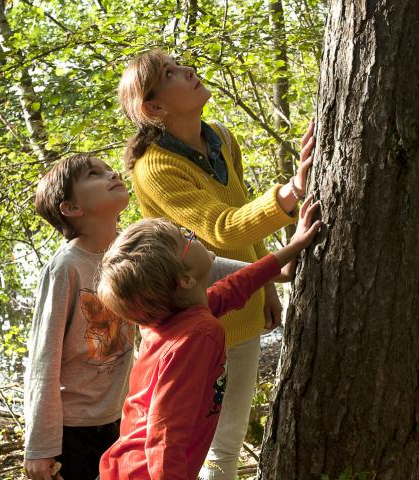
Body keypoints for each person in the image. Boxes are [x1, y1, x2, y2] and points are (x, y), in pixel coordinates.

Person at [118, 48, 316, 479]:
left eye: (180, 64)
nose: (188, 70)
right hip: (188, 326)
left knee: (225, 446)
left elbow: (241, 212)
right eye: (171, 73)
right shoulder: (155, 169)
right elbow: (220, 228)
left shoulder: (221, 138)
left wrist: (263, 282)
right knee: (184, 445)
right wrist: (292, 191)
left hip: (238, 312)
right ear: (154, 107)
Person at [97, 197, 321, 480]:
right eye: (185, 237)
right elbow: (165, 431)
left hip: (129, 467)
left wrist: (294, 247)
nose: (192, 235)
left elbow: (234, 287)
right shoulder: (197, 336)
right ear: (185, 280)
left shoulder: (176, 319)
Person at [23, 153, 134, 480]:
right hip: (73, 430)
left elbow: (196, 267)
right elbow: (43, 360)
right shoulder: (65, 269)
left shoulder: (130, 249)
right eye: (93, 174)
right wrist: (40, 446)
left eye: (107, 168)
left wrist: (271, 268)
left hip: (122, 417)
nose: (111, 173)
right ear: (71, 208)